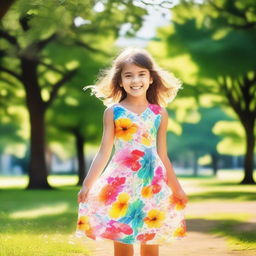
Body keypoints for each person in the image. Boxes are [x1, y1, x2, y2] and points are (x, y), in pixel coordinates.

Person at [75, 47, 188, 256]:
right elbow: (103, 152)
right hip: (121, 185)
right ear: (120, 81)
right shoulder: (113, 112)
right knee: (123, 243)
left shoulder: (159, 113)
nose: (135, 80)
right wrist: (87, 184)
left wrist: (177, 188)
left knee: (150, 243)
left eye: (141, 74)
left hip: (151, 184)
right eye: (128, 75)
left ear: (151, 79)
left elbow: (163, 155)